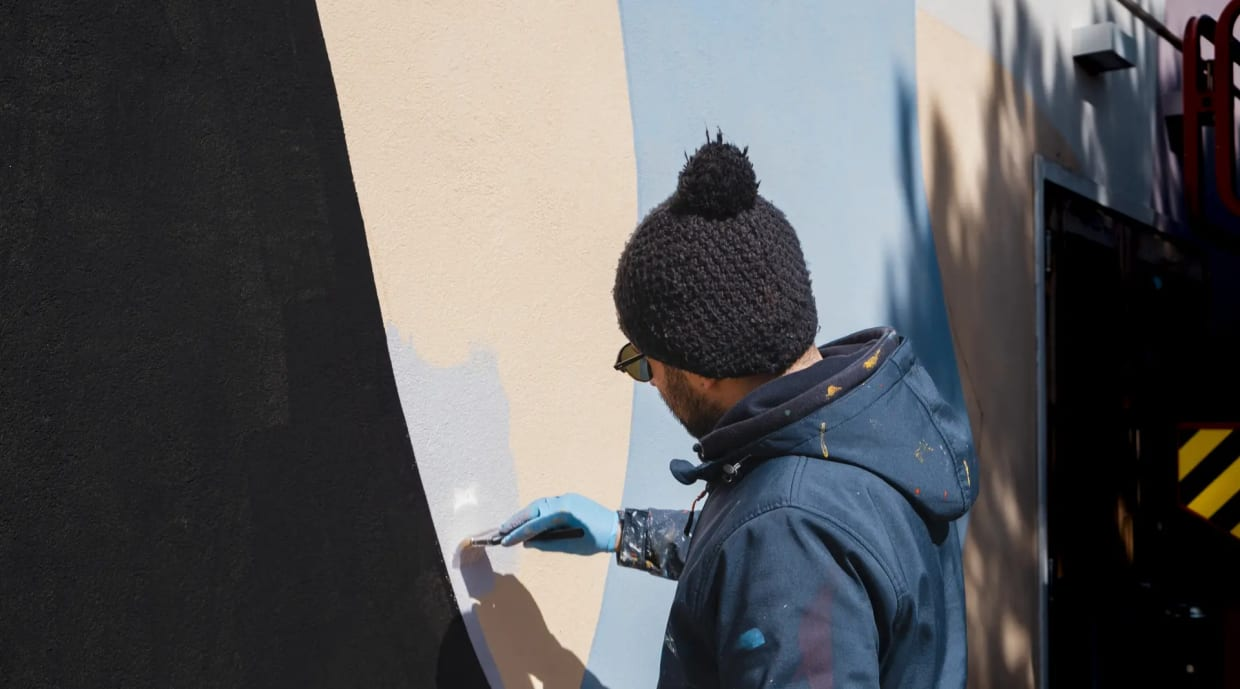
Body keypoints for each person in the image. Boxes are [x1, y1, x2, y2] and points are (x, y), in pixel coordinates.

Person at [499, 131, 979, 689]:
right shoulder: (861, 434)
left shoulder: (790, 534)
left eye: (644, 362)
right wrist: (621, 532)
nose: (646, 380)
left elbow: (779, 546)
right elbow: (761, 551)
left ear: (702, 368)